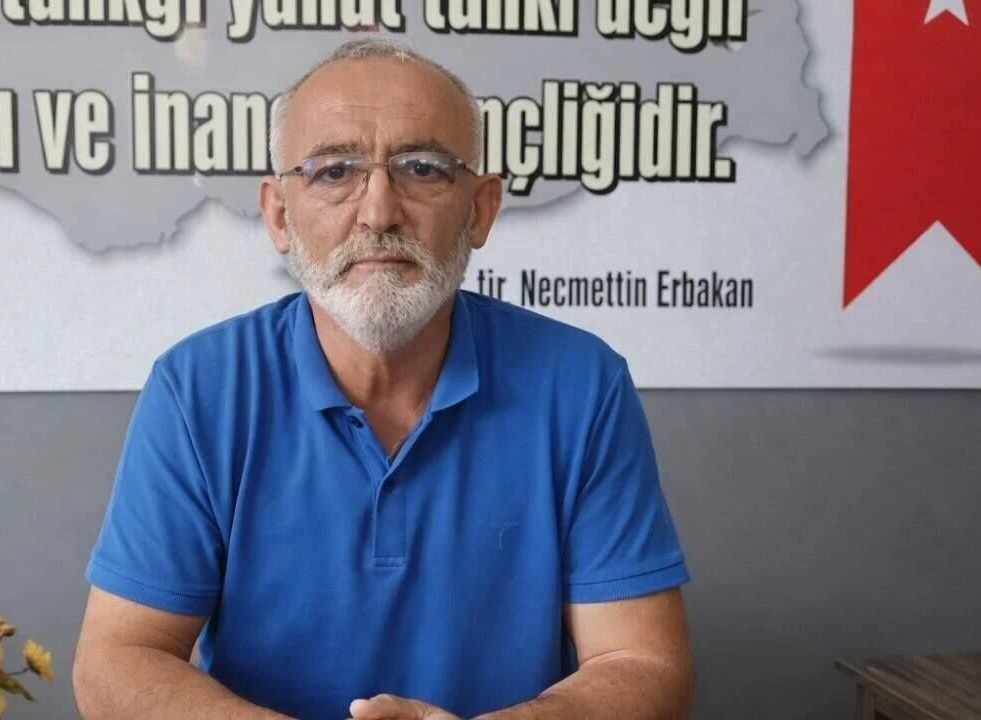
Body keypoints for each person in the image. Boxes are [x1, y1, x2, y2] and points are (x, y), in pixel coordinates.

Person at [73, 38, 693, 720]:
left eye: (422, 169)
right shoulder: (199, 390)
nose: (377, 212)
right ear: (279, 215)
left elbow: (641, 665)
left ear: (481, 209)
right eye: (335, 171)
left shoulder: (581, 386)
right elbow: (116, 661)